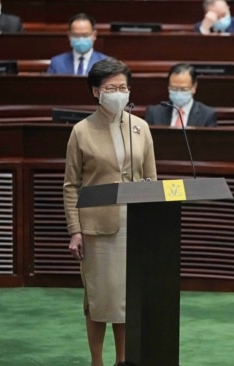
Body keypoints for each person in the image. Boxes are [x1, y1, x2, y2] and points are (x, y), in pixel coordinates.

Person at [63, 57, 157, 366]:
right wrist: (75, 230)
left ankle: (123, 360)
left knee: (126, 301)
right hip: (98, 228)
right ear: (95, 92)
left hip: (135, 227)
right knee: (99, 300)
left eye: (123, 87)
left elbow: (152, 180)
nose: (118, 93)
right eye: (111, 88)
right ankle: (97, 361)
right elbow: (71, 185)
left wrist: (153, 226)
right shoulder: (81, 131)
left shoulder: (141, 128)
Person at [145, 63, 217, 127]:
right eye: (174, 89)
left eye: (184, 89)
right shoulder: (154, 113)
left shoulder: (207, 115)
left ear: (194, 87)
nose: (178, 93)